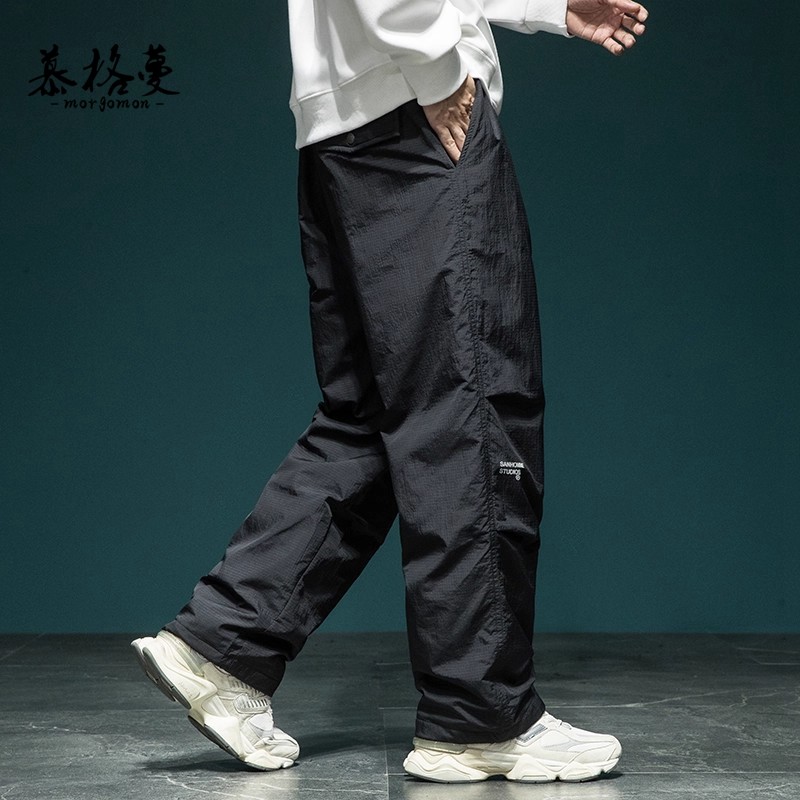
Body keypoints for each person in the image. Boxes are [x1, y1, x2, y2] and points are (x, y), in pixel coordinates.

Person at [132, 0, 649, 784]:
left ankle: (223, 646)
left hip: (346, 131)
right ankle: (479, 716)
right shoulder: (430, 90)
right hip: (415, 122)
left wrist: (542, 7)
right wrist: (441, 71)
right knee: (472, 412)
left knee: (371, 416)